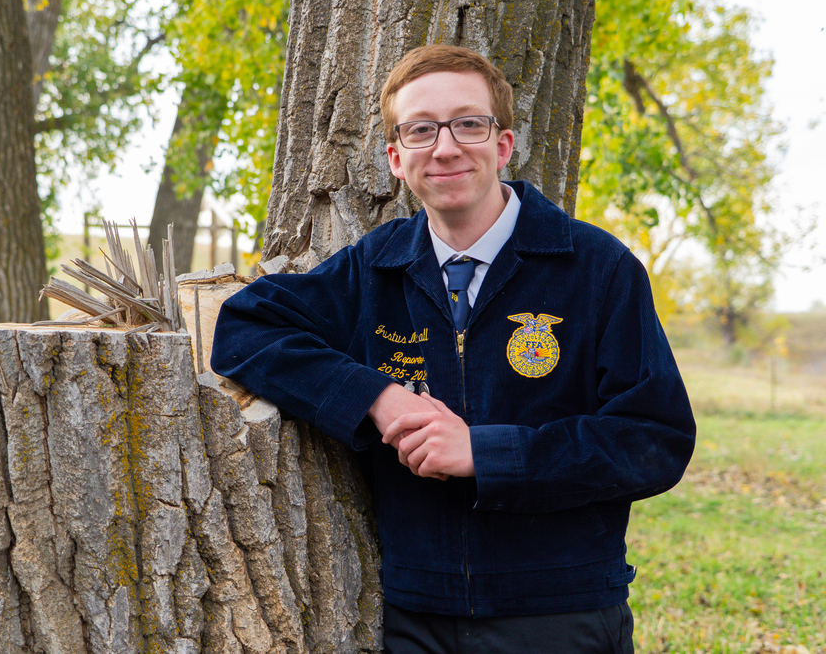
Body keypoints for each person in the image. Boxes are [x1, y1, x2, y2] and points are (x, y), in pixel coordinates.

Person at [210, 44, 695, 653]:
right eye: (420, 130)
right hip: (414, 616)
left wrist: (486, 453)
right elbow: (244, 326)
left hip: (558, 612)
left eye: (468, 123)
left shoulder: (598, 269)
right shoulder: (374, 268)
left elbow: (654, 440)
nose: (444, 147)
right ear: (394, 157)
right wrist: (377, 398)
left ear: (503, 145)